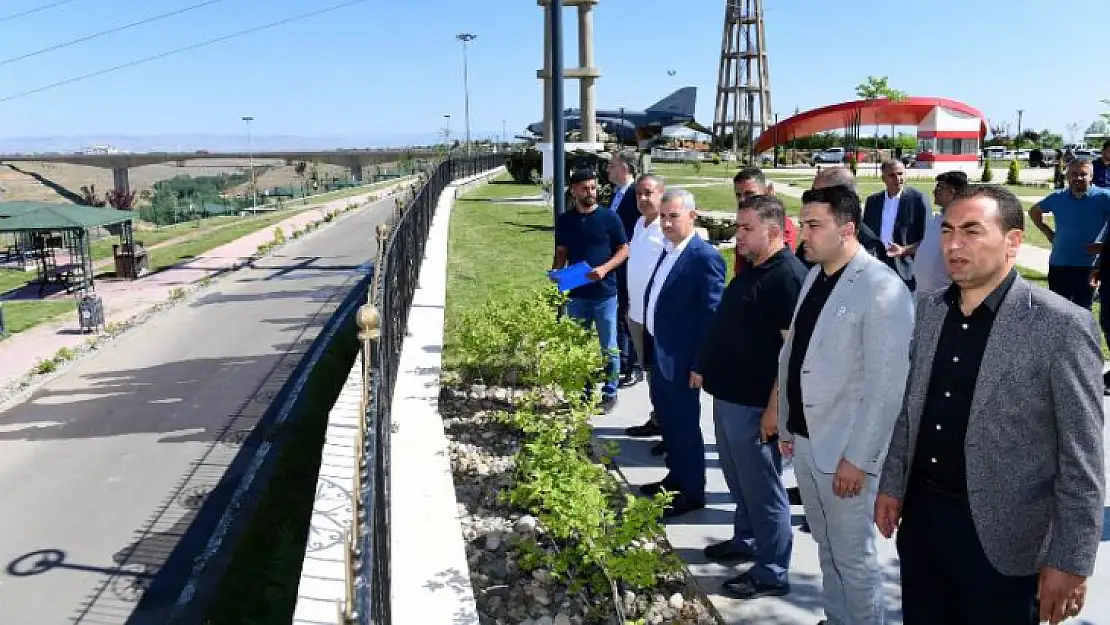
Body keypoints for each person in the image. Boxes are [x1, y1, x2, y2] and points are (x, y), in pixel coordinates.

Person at [877, 185, 1105, 625]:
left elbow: (1083, 459)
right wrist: (892, 482)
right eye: (946, 231)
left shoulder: (1061, 327)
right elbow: (913, 408)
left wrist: (1072, 560)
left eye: (971, 231)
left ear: (1013, 242)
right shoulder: (928, 310)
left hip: (1005, 544)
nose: (953, 245)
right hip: (924, 527)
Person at [778, 185, 913, 625]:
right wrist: (785, 423)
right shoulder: (817, 273)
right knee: (826, 546)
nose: (803, 233)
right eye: (803, 223)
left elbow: (886, 386)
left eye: (814, 225)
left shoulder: (880, 287)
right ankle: (838, 618)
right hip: (807, 438)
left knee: (853, 557)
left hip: (845, 452)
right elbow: (796, 352)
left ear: (848, 229)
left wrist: (859, 458)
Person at [696, 194, 806, 599]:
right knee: (739, 480)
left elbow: (791, 355)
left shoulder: (787, 277)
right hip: (728, 397)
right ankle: (746, 540)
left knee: (763, 490)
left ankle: (772, 570)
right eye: (738, 227)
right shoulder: (753, 267)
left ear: (774, 232)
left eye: (746, 229)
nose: (738, 235)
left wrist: (775, 409)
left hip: (756, 406)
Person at [639, 189, 726, 517]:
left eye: (673, 216)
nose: (666, 222)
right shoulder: (669, 249)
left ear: (693, 215)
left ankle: (692, 492)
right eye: (663, 216)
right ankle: (675, 480)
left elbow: (711, 316)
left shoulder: (704, 257)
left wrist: (700, 363)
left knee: (685, 427)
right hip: (661, 354)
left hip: (683, 361)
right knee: (670, 425)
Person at [552, 168, 629, 411]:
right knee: (578, 344)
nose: (591, 193)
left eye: (594, 188)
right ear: (574, 191)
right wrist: (556, 274)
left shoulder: (609, 218)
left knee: (609, 345)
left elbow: (624, 249)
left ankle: (609, 392)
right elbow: (561, 251)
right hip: (576, 293)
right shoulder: (565, 220)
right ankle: (583, 392)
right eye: (585, 188)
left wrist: (605, 269)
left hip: (605, 293)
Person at [1029, 158, 1110, 309]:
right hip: (1059, 264)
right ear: (1067, 176)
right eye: (1074, 173)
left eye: (1083, 174)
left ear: (1091, 177)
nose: (1078, 177)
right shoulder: (1057, 198)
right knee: (1056, 311)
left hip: (1088, 266)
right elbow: (1034, 212)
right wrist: (1048, 233)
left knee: (1083, 312)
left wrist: (1105, 246)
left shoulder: (1103, 197)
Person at [623, 173, 667, 440]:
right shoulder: (640, 223)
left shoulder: (666, 228)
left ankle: (669, 429)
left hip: (657, 318)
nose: (642, 198)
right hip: (637, 314)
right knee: (650, 374)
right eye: (639, 193)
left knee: (663, 379)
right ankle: (658, 419)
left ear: (662, 194)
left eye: (648, 192)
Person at [863, 159, 932, 290]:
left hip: (906, 270)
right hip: (876, 266)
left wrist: (904, 250)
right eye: (892, 175)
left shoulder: (918, 200)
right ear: (883, 178)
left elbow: (927, 239)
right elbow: (866, 234)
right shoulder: (873, 201)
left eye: (900, 174)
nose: (898, 179)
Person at [607, 151, 644, 387]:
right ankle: (622, 360)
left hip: (630, 263)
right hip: (617, 263)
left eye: (613, 165)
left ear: (626, 168)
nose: (608, 169)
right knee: (621, 313)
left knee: (629, 314)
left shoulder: (634, 195)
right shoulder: (617, 194)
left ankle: (634, 365)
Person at [732, 168, 798, 274]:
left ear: (766, 192)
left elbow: (781, 266)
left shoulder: (782, 225)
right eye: (738, 195)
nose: (742, 200)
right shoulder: (743, 223)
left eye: (749, 194)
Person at [913, 170, 969, 293]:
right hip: (922, 294)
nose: (935, 191)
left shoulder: (961, 225)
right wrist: (905, 250)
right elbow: (927, 243)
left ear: (952, 192)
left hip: (943, 299)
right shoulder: (937, 219)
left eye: (940, 187)